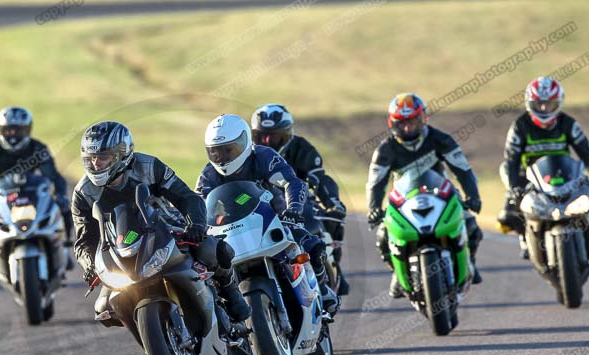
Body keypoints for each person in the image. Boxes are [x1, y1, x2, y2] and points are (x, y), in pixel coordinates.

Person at [71, 120, 251, 323]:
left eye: (102, 158)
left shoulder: (149, 166)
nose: (95, 164)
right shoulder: (83, 193)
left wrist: (196, 225)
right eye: (91, 158)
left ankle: (231, 292)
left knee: (213, 249)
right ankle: (152, 346)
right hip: (121, 247)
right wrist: (89, 265)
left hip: (164, 227)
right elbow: (84, 240)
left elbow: (187, 197)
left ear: (121, 154)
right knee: (104, 309)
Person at [196, 114, 340, 315]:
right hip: (233, 231)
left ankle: (323, 290)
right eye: (216, 152)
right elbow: (198, 206)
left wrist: (293, 210)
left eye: (229, 150)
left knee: (313, 247)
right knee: (209, 273)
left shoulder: (263, 156)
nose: (223, 157)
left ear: (244, 142)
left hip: (276, 219)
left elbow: (292, 182)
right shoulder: (208, 175)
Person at [366, 93, 483, 297]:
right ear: (392, 123)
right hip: (404, 201)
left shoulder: (441, 139)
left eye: (413, 122)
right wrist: (374, 208)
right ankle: (397, 272)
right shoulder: (385, 150)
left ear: (424, 119)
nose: (408, 128)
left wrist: (473, 195)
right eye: (402, 124)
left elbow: (463, 170)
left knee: (471, 226)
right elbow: (376, 183)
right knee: (383, 236)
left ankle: (469, 261)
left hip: (442, 195)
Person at [251, 103, 350, 295]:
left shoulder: (302, 147)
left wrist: (332, 202)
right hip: (262, 206)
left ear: (287, 134)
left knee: (333, 217)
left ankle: (333, 265)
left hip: (299, 204)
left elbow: (320, 178)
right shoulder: (250, 156)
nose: (268, 141)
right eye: (261, 136)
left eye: (274, 136)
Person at [0, 106, 72, 258]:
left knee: (64, 206)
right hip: (0, 196)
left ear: (27, 130)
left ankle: (65, 246)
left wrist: (60, 195)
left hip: (32, 193)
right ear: (1, 130)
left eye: (18, 130)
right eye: (8, 130)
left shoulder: (38, 148)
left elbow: (54, 176)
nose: (13, 134)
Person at [497, 76, 589, 257]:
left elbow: (586, 152)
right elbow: (512, 160)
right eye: (539, 104)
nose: (545, 109)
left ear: (559, 103)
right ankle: (525, 235)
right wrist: (515, 187)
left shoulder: (568, 124)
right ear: (530, 104)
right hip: (532, 181)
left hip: (565, 177)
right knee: (507, 212)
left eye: (550, 104)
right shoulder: (520, 126)